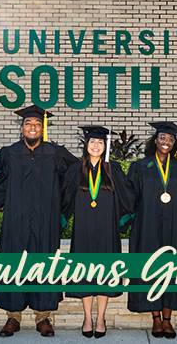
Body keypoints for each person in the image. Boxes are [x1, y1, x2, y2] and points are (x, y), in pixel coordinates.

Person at [0, 105, 78, 337]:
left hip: (45, 220)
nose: (33, 127)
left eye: (37, 124)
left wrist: (60, 208)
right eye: (28, 124)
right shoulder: (9, 153)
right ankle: (13, 317)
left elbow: (75, 174)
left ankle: (43, 317)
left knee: (44, 264)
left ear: (43, 128)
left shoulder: (55, 153)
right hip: (15, 221)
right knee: (13, 265)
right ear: (21, 128)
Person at [62, 126, 134, 339]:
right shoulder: (76, 170)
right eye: (92, 142)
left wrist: (123, 222)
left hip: (107, 231)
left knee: (104, 275)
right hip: (83, 230)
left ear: (106, 146)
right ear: (86, 145)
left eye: (100, 143)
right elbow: (65, 198)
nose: (96, 146)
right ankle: (87, 317)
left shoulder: (114, 170)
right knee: (85, 275)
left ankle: (101, 317)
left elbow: (127, 198)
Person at [126, 122, 177, 339]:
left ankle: (167, 319)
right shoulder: (139, 166)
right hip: (148, 227)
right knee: (151, 271)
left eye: (170, 140)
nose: (166, 142)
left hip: (175, 227)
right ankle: (155, 318)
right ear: (155, 141)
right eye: (162, 138)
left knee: (172, 272)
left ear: (175, 144)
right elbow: (130, 197)